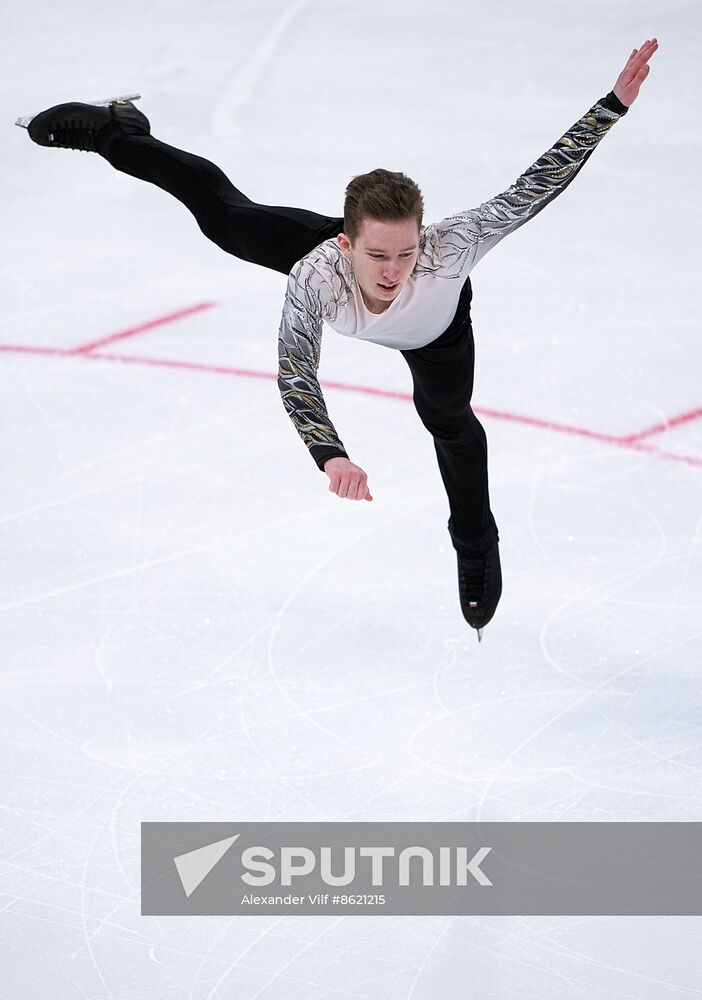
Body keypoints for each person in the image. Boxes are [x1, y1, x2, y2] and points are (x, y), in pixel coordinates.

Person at [20, 38, 658, 639]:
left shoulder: (448, 251)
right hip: (331, 267)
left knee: (449, 420)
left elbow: (535, 186)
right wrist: (331, 454)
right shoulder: (317, 273)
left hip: (438, 335)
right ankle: (116, 130)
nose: (392, 272)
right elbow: (297, 371)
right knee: (222, 217)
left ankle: (476, 542)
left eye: (406, 252)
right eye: (378, 254)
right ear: (347, 243)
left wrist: (612, 109)